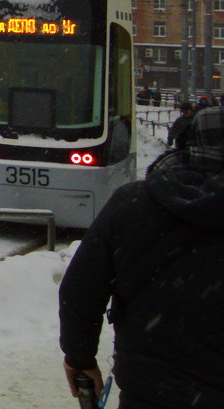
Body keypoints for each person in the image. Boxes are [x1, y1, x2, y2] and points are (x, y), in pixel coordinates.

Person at [58, 104, 224, 409]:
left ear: (189, 141)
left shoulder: (134, 203)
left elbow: (81, 290)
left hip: (148, 389)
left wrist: (79, 359)